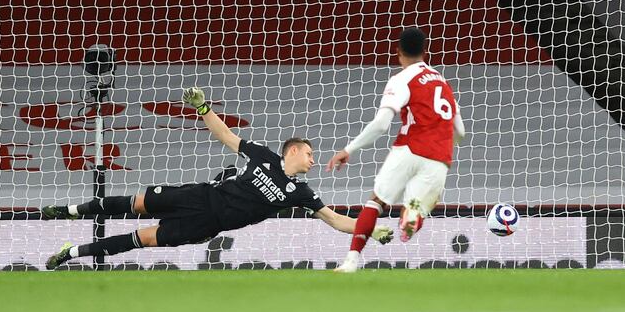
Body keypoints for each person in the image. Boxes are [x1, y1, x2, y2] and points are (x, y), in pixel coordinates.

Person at [42, 87, 392, 269]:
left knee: (141, 239)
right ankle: (70, 209)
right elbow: (226, 136)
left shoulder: (301, 193)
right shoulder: (263, 155)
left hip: (206, 226)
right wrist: (203, 108)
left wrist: (371, 230)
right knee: (136, 203)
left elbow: (335, 221)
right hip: (199, 197)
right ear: (293, 151)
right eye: (310, 154)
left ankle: (71, 252)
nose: (314, 160)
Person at [327, 27, 466, 273]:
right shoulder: (443, 82)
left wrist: (349, 148)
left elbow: (381, 124)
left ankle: (351, 261)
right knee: (415, 207)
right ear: (425, 52)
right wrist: (442, 149)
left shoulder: (402, 79)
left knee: (376, 201)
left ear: (398, 52)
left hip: (410, 148)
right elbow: (460, 131)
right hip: (439, 157)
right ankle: (412, 216)